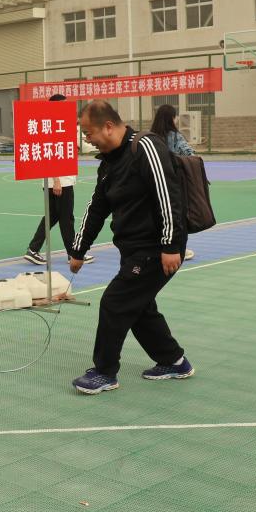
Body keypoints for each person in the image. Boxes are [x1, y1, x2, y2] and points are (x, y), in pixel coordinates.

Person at [68, 100, 193, 395]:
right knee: (139, 307)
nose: (86, 139)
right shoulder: (110, 162)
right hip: (133, 249)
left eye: (88, 133)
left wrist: (170, 245)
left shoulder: (146, 147)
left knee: (116, 302)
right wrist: (78, 249)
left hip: (155, 248)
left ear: (108, 126)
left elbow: (169, 197)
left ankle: (104, 372)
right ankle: (173, 361)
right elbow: (97, 207)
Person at [23, 94, 95, 267]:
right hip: (60, 182)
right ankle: (73, 254)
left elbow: (84, 146)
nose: (68, 108)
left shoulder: (66, 125)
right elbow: (49, 155)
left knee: (52, 217)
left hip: (59, 181)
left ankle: (33, 249)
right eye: (63, 105)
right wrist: (56, 180)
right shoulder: (51, 127)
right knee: (66, 218)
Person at [149, 104, 196, 261]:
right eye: (175, 116)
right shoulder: (175, 136)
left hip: (153, 182)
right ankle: (177, 247)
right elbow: (190, 154)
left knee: (156, 214)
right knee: (175, 215)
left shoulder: (150, 137)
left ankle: (156, 246)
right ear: (172, 118)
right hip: (172, 183)